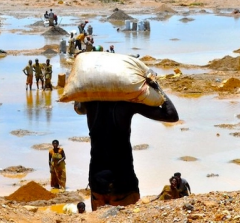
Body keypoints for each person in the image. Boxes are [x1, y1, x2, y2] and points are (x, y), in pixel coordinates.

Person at [74, 82, 179, 211]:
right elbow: (171, 115)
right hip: (123, 183)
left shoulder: (89, 104)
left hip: (97, 184)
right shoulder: (127, 103)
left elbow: (77, 107)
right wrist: (156, 86)